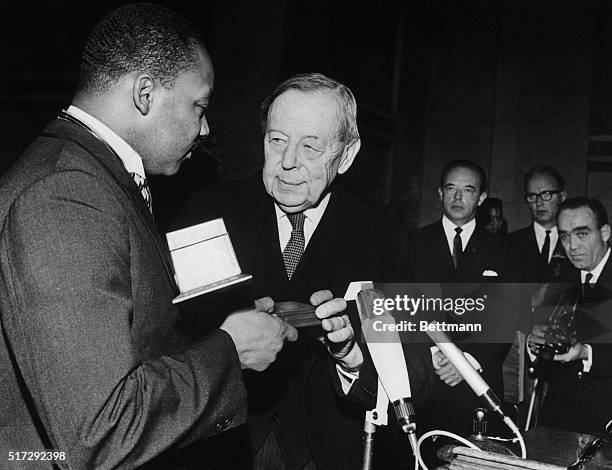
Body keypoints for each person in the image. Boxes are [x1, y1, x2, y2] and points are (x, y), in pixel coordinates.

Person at [0, 5, 349, 469]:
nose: (205, 128)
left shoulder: (90, 178)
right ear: (145, 94)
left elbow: (133, 348)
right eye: (198, 106)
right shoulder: (66, 194)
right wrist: (229, 350)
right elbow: (99, 433)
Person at [174, 73, 433, 469]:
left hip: (328, 453)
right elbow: (170, 344)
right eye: (277, 141)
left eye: (310, 146)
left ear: (346, 155)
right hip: (221, 447)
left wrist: (352, 360)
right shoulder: (208, 215)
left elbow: (415, 378)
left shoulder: (385, 240)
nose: (288, 161)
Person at [406, 159, 510, 438]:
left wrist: (466, 361)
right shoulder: (411, 244)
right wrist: (434, 354)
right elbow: (400, 309)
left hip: (479, 380)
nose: (458, 197)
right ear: (440, 193)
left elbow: (507, 318)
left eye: (468, 190)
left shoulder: (504, 250)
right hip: (424, 375)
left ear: (482, 197)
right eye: (451, 188)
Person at [527, 197, 612, 434]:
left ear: (604, 233)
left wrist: (586, 353)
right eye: (564, 236)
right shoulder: (560, 280)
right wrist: (534, 344)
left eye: (581, 234)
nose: (572, 246)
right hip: (558, 420)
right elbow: (544, 352)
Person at [507, 164, 570, 283]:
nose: (539, 202)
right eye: (532, 196)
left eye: (546, 194)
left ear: (562, 196)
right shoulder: (510, 244)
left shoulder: (575, 242)